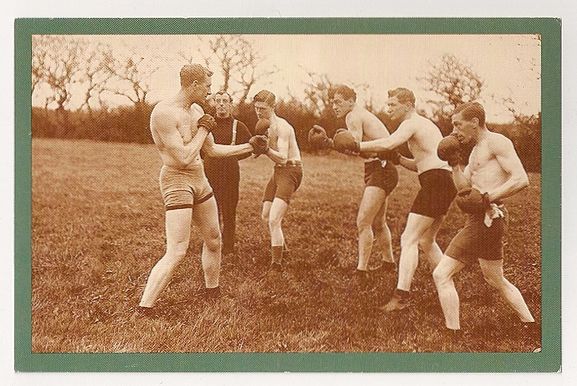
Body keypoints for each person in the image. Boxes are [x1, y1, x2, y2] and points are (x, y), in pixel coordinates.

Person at [138, 64, 268, 310]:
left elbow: (212, 150)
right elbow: (184, 157)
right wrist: (205, 128)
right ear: (194, 85)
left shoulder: (197, 109)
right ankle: (145, 306)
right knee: (177, 250)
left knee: (214, 239)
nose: (210, 93)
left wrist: (251, 146)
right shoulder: (164, 113)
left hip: (199, 179)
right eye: (207, 87)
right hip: (177, 180)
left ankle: (212, 292)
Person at [328, 88, 457, 311]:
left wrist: (355, 145)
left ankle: (401, 297)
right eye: (387, 105)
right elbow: (419, 164)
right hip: (442, 181)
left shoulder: (411, 123)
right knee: (426, 241)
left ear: (407, 105)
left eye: (393, 105)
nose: (388, 110)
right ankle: (448, 280)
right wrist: (398, 159)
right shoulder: (425, 125)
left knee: (409, 239)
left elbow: (387, 143)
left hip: (436, 182)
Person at [432, 101, 535, 333]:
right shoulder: (476, 151)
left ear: (474, 122)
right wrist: (454, 164)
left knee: (441, 274)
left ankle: (453, 334)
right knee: (495, 279)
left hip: (488, 218)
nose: (454, 131)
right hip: (483, 219)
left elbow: (521, 179)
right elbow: (464, 189)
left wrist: (488, 197)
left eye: (458, 125)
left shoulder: (497, 142)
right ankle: (530, 324)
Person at [308, 85, 398, 287]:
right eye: (332, 101)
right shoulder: (358, 114)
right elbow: (357, 147)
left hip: (382, 168)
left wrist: (329, 143)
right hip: (379, 168)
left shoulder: (354, 116)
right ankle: (388, 263)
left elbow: (353, 147)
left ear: (351, 101)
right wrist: (331, 142)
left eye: (338, 102)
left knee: (363, 221)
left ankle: (361, 272)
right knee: (378, 222)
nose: (334, 106)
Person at [253, 90, 303, 273]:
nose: (258, 112)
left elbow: (282, 157)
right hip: (278, 172)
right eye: (256, 108)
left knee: (274, 219)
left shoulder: (282, 127)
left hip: (291, 170)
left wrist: (265, 150)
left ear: (272, 107)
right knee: (266, 214)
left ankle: (276, 265)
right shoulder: (264, 125)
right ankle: (283, 248)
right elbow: (262, 151)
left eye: (263, 108)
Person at [203, 91, 252, 257]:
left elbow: (249, 148)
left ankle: (229, 248)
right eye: (218, 101)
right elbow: (199, 148)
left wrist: (232, 156)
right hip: (210, 171)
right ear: (214, 104)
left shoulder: (238, 126)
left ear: (231, 104)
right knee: (210, 210)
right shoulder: (206, 124)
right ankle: (212, 244)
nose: (221, 104)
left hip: (230, 172)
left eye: (225, 101)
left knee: (229, 210)